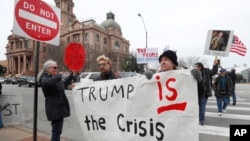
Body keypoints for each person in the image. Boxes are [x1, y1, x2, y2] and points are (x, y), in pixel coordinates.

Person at [37, 59, 75, 141]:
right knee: (56, 130)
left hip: (60, 107)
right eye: (54, 67)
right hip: (54, 108)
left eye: (57, 67)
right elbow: (47, 83)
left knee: (58, 130)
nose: (56, 69)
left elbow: (63, 84)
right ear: (48, 69)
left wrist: (71, 74)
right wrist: (58, 76)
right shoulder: (45, 78)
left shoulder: (54, 78)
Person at [194, 59, 219, 125]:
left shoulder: (206, 71)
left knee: (202, 107)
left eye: (198, 66)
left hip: (204, 93)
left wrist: (215, 64)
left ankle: (201, 120)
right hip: (195, 93)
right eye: (195, 66)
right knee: (195, 107)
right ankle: (195, 119)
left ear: (201, 66)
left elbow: (213, 71)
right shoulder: (193, 73)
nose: (197, 68)